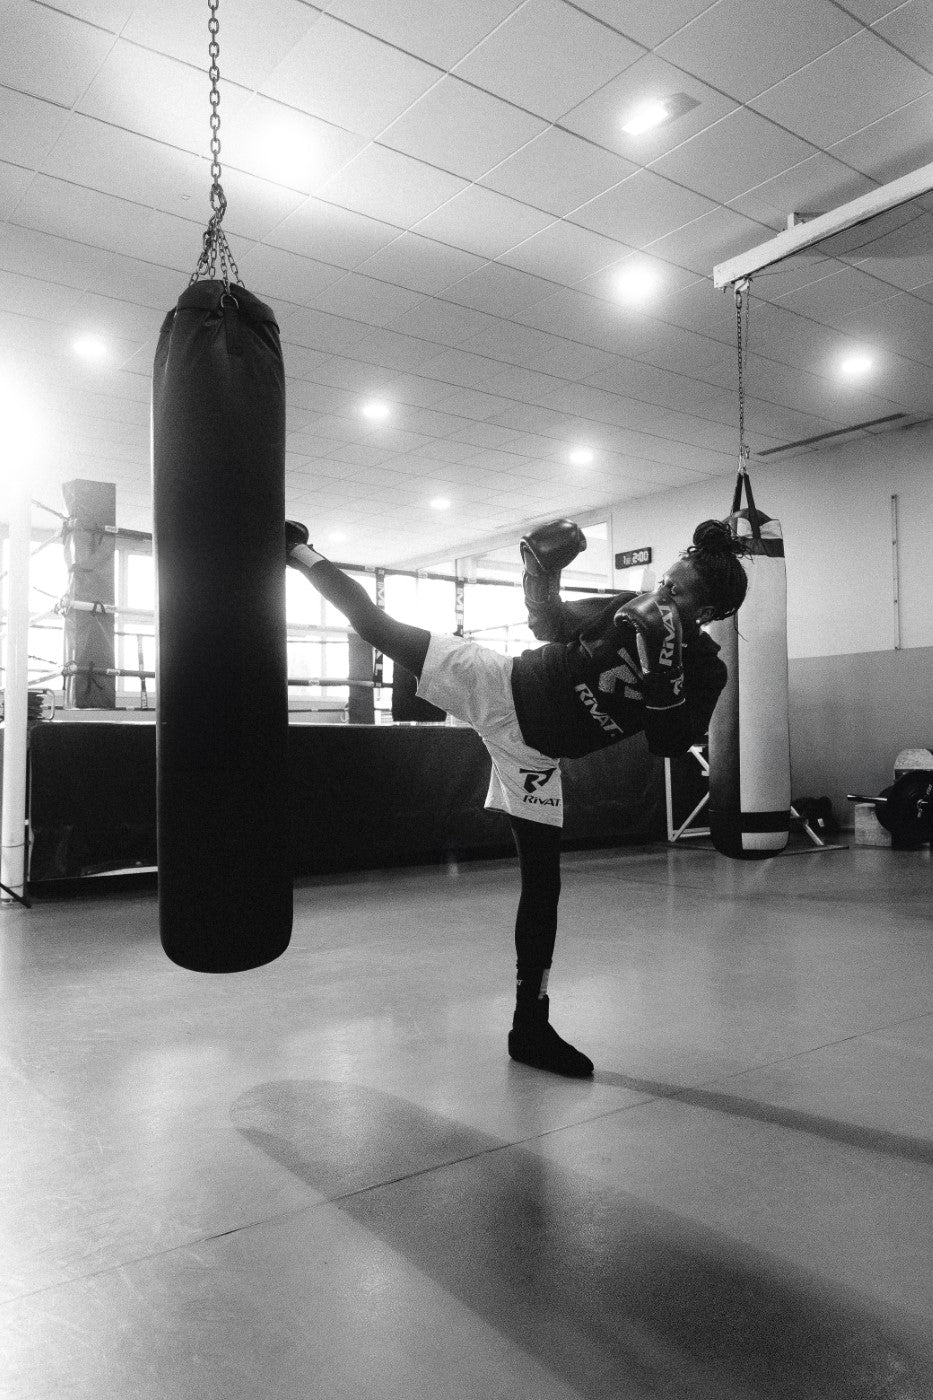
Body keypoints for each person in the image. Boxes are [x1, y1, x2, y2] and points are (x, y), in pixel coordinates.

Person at [285, 517, 749, 1079]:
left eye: (679, 593)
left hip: (534, 757)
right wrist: (540, 578)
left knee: (543, 886)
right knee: (377, 625)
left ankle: (529, 1027)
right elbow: (549, 624)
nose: (664, 597)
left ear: (709, 611)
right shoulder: (626, 606)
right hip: (497, 684)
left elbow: (669, 744)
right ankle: (297, 550)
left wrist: (664, 670)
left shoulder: (706, 671)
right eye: (665, 583)